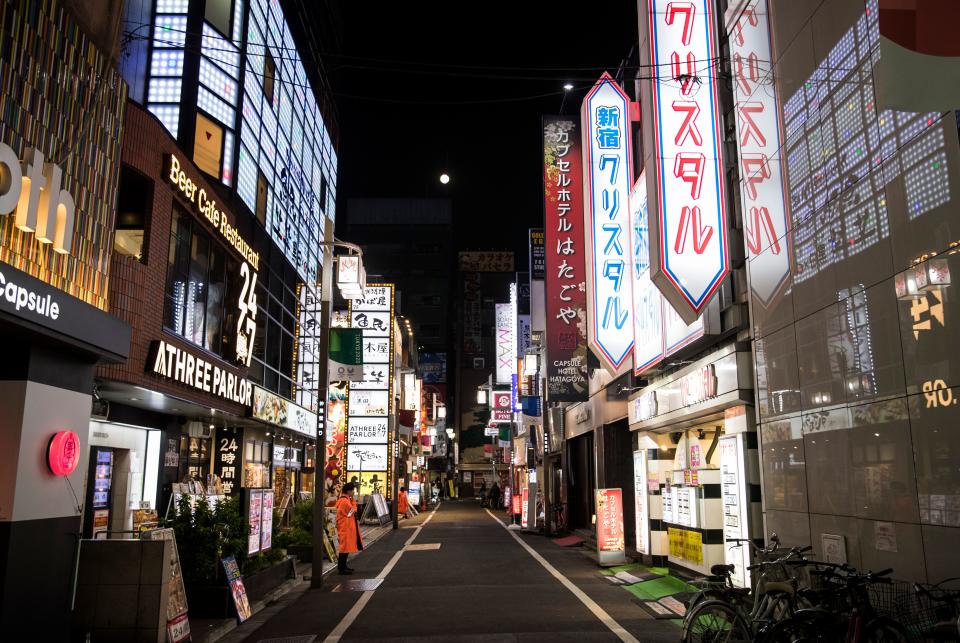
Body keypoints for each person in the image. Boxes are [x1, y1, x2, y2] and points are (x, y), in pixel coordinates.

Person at [336, 482, 363, 574]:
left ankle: (344, 567)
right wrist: (354, 504)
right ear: (348, 491)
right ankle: (341, 568)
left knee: (345, 548)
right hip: (345, 528)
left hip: (346, 527)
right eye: (353, 491)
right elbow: (352, 512)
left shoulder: (345, 500)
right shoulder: (345, 501)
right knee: (344, 548)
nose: (353, 492)